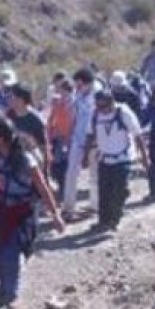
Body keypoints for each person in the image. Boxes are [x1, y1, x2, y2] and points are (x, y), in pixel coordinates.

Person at [0, 117, 64, 309]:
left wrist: (55, 214)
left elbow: (42, 187)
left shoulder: (25, 159)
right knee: (3, 253)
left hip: (23, 213)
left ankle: (10, 291)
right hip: (3, 211)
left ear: (1, 138)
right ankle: (6, 291)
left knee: (15, 251)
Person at [88, 87, 149, 232]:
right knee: (104, 192)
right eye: (98, 105)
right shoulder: (96, 114)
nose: (101, 109)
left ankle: (114, 219)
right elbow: (90, 135)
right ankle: (103, 222)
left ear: (111, 102)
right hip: (104, 158)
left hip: (122, 158)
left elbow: (137, 135)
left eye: (103, 105)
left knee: (119, 191)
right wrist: (87, 155)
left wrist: (144, 158)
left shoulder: (123, 112)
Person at [61, 66, 98, 220]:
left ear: (88, 83)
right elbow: (74, 117)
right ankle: (68, 208)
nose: (77, 88)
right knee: (71, 174)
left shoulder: (98, 96)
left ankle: (95, 207)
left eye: (80, 85)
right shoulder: (78, 96)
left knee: (94, 176)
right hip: (78, 138)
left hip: (95, 141)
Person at [6, 84, 49, 171]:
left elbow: (43, 147)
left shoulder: (36, 120)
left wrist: (44, 170)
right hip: (13, 160)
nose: (9, 99)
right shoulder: (9, 114)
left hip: (32, 163)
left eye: (11, 97)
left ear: (21, 99)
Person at [46, 76, 75, 196]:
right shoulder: (57, 102)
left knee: (65, 164)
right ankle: (60, 188)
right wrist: (50, 131)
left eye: (64, 90)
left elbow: (74, 121)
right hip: (58, 137)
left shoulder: (74, 103)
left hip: (69, 138)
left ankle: (64, 190)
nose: (62, 93)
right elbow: (51, 117)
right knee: (56, 163)